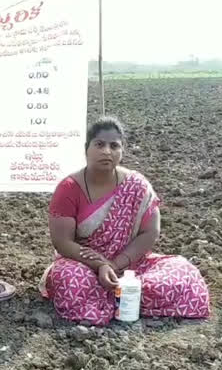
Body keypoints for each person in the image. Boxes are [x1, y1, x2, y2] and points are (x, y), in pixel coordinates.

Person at [39, 117, 211, 325]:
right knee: (70, 281)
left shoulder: (136, 185)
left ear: (122, 151)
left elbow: (150, 232)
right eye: (99, 144)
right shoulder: (68, 188)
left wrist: (115, 264)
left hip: (129, 265)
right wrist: (100, 265)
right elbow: (63, 242)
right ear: (86, 148)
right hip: (82, 264)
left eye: (114, 146)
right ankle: (126, 300)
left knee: (184, 274)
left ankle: (118, 297)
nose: (106, 151)